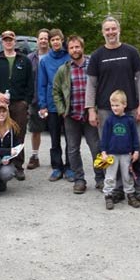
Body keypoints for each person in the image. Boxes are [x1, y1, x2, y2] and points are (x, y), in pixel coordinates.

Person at [86, 16, 140, 207]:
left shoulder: (131, 52)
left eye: (113, 29)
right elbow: (91, 85)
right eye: (107, 29)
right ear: (103, 32)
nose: (111, 32)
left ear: (119, 30)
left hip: (132, 110)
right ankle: (117, 190)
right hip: (105, 111)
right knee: (110, 152)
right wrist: (90, 110)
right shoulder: (97, 56)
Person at [53, 35, 104, 194]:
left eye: (77, 47)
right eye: (72, 48)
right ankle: (79, 179)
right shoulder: (64, 69)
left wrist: (96, 109)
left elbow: (101, 88)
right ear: (68, 50)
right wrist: (62, 110)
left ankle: (100, 178)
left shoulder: (93, 66)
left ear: (82, 47)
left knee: (96, 147)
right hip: (71, 116)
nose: (75, 50)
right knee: (73, 149)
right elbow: (56, 91)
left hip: (90, 116)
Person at [0, 30, 33, 180]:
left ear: (15, 41)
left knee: (19, 134)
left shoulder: (24, 60)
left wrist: (26, 102)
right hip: (0, 104)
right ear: (2, 41)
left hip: (18, 103)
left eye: (10, 39)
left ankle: (18, 166)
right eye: (5, 39)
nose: (8, 42)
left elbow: (30, 83)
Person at [37, 28, 72, 182]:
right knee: (54, 137)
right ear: (50, 42)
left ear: (62, 40)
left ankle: (70, 167)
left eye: (58, 39)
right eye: (53, 40)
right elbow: (42, 84)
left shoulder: (69, 57)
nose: (56, 42)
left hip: (69, 104)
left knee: (70, 137)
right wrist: (42, 104)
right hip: (51, 105)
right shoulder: (44, 60)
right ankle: (57, 167)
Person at [99, 90, 140, 210]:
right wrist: (103, 152)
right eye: (112, 105)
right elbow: (105, 137)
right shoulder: (109, 121)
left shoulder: (129, 121)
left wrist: (136, 150)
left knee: (127, 176)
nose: (114, 108)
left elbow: (134, 137)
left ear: (124, 105)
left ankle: (130, 195)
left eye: (117, 105)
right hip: (111, 154)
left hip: (126, 154)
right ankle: (108, 195)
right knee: (110, 176)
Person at [26, 28, 50, 170]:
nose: (43, 41)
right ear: (37, 40)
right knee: (35, 130)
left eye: (46, 38)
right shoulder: (30, 58)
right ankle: (34, 156)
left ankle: (58, 158)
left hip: (52, 100)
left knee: (55, 130)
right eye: (41, 38)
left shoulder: (54, 57)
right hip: (35, 100)